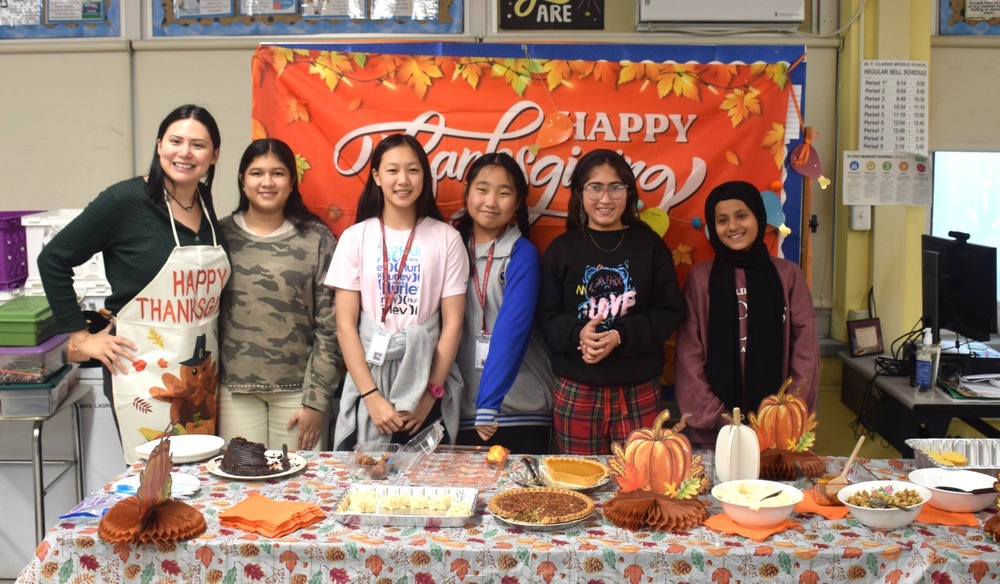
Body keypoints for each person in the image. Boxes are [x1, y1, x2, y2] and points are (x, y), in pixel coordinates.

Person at [37, 104, 228, 464]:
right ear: (159, 145)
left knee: (197, 475)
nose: (185, 153)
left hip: (198, 374)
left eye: (198, 145)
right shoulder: (124, 200)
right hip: (141, 369)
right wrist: (82, 337)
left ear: (214, 155)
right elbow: (53, 259)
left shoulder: (203, 201)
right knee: (155, 477)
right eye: (175, 141)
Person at [325, 134, 469, 450]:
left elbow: (453, 324)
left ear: (424, 177)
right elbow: (345, 325)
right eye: (392, 170)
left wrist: (429, 396)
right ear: (377, 176)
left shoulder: (447, 238)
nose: (403, 180)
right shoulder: (355, 237)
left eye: (412, 170)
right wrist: (371, 397)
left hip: (425, 383)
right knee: (365, 478)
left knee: (428, 481)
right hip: (369, 383)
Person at [537, 149, 683, 455]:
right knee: (577, 479)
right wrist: (579, 334)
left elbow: (669, 311)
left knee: (640, 476)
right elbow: (545, 317)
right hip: (577, 389)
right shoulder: (561, 249)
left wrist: (620, 336)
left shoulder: (650, 246)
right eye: (595, 187)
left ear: (629, 192)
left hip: (638, 387)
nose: (605, 198)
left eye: (616, 187)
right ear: (580, 193)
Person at [675, 180, 820, 448]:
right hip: (714, 436)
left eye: (742, 216)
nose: (733, 226)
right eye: (722, 220)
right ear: (713, 226)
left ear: (758, 217)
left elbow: (806, 353)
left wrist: (785, 413)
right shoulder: (700, 278)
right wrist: (720, 419)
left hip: (779, 433)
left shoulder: (788, 275)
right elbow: (689, 356)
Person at [217, 138, 341, 451]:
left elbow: (331, 325)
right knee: (242, 476)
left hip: (299, 393)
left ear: (292, 182)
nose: (267, 182)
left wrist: (316, 400)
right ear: (242, 180)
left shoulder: (317, 239)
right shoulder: (219, 236)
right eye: (257, 173)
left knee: (301, 478)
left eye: (278, 173)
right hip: (235, 391)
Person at [452, 153, 554, 454]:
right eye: (482, 190)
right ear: (467, 192)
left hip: (519, 410)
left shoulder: (522, 254)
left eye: (504, 193)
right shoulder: (450, 247)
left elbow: (513, 330)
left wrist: (489, 402)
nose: (491, 202)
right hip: (460, 409)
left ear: (518, 202)